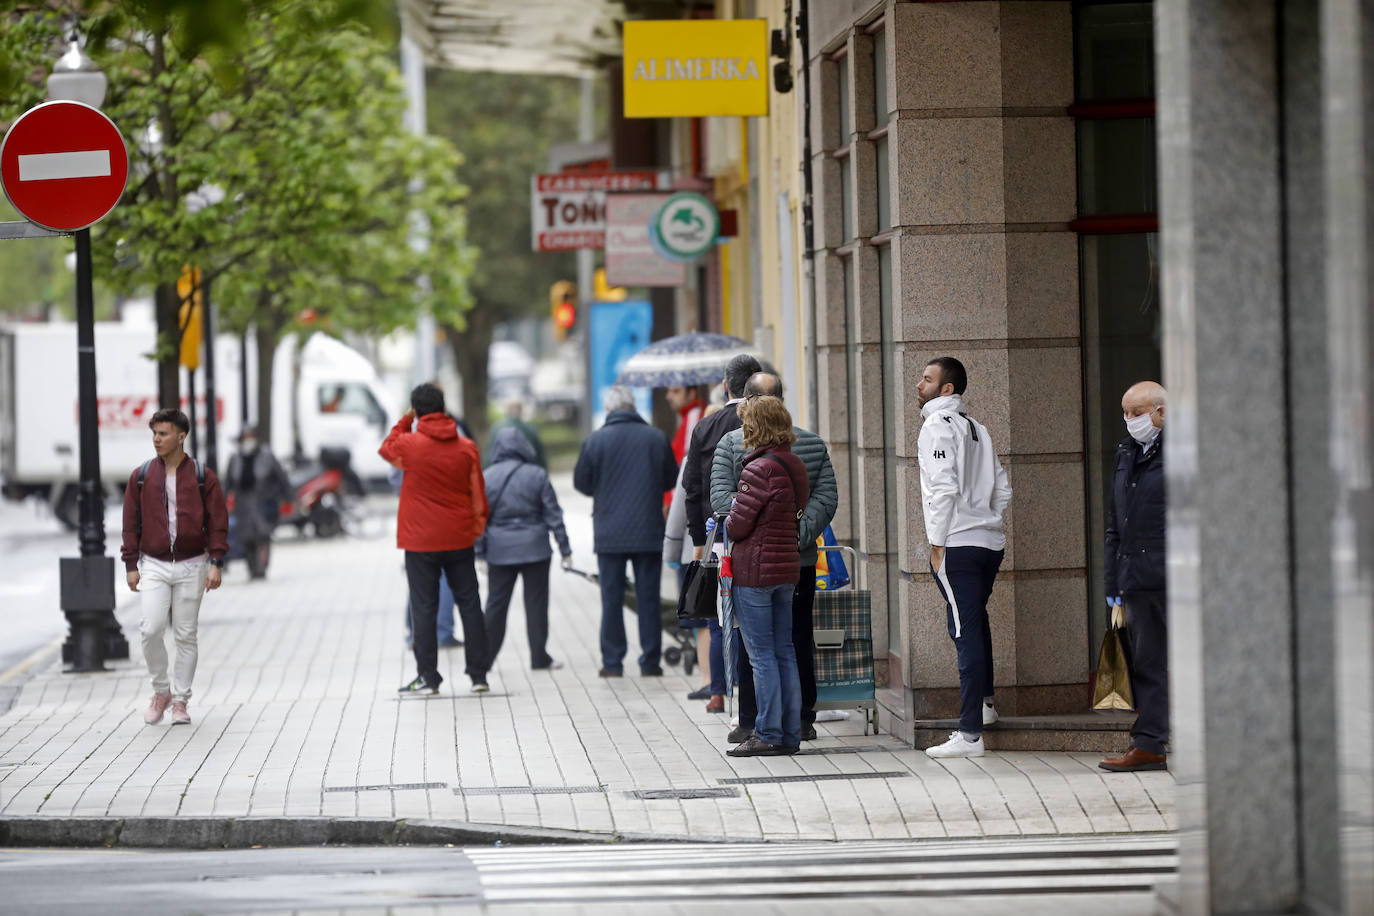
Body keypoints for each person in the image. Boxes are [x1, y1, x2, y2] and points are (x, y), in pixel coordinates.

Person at [710, 372, 838, 743]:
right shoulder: (803, 451)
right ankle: (795, 723)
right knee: (793, 643)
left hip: (757, 564)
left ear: (748, 404)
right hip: (794, 563)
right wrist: (794, 534)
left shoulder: (745, 454)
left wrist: (774, 531)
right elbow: (825, 499)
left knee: (759, 652)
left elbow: (726, 509)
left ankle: (760, 725)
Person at [916, 356, 1012, 759]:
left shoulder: (936, 427)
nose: (919, 384)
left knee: (964, 631)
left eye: (927, 379)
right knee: (976, 623)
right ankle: (985, 709)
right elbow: (1003, 489)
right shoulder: (978, 429)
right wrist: (988, 520)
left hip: (958, 542)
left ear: (947, 389)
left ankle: (970, 734)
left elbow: (943, 489)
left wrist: (937, 544)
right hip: (989, 542)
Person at [380, 383, 490, 695]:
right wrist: (475, 529)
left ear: (417, 411)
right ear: (443, 408)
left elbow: (387, 448)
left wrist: (405, 421)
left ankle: (428, 676)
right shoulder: (466, 447)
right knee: (469, 602)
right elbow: (478, 495)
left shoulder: (410, 445)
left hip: (420, 542)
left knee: (423, 607)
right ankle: (478, 674)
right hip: (458, 537)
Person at [121, 408, 229, 727]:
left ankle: (180, 700)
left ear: (181, 436)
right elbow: (129, 525)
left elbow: (218, 522)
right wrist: (131, 563)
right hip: (153, 563)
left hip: (192, 564)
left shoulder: (203, 477)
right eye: (154, 433)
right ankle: (161, 691)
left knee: (185, 635)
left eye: (163, 433)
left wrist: (216, 562)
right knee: (150, 629)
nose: (156, 439)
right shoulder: (141, 476)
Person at [724, 396, 810, 757]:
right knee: (784, 651)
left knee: (761, 656)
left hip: (756, 571)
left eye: (747, 422)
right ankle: (790, 732)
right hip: (786, 568)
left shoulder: (758, 468)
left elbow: (739, 524)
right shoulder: (794, 463)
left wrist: (727, 519)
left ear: (756, 426)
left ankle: (768, 731)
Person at [573, 385, 678, 677]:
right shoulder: (656, 439)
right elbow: (671, 478)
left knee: (612, 598)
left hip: (610, 534)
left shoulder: (595, 441)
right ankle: (650, 661)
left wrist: (603, 489)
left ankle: (612, 662)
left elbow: (581, 483)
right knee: (648, 597)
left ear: (608, 411)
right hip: (647, 531)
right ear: (633, 408)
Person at [1099, 381, 1170, 773]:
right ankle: (1150, 745)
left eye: (1138, 413)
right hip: (1137, 579)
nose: (1131, 421)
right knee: (1148, 664)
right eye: (1126, 413)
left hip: (1174, 576)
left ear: (1161, 412)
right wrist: (1113, 585)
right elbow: (1116, 524)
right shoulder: (1126, 453)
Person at [476, 426, 573, 670]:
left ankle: (483, 661)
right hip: (535, 550)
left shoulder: (487, 477)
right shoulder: (537, 475)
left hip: (500, 551)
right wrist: (565, 549)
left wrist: (479, 553)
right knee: (537, 605)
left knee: (496, 606)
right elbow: (554, 515)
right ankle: (539, 657)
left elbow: (478, 519)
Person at [223, 427, 291, 580]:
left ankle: (261, 568)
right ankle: (252, 566)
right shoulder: (235, 459)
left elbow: (281, 478)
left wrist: (287, 498)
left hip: (263, 503)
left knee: (263, 535)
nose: (248, 441)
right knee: (247, 538)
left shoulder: (267, 456)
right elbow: (228, 483)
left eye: (251, 437)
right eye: (245, 437)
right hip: (243, 505)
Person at [663, 385, 705, 511]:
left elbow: (686, 462)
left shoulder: (694, 416)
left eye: (676, 391)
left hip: (683, 502)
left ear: (692, 393)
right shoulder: (690, 416)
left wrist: (671, 499)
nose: (669, 396)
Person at [487, 398, 546, 470]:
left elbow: (488, 455)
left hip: (500, 470)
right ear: (521, 410)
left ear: (507, 411)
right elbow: (540, 456)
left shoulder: (496, 428)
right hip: (528, 470)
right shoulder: (530, 429)